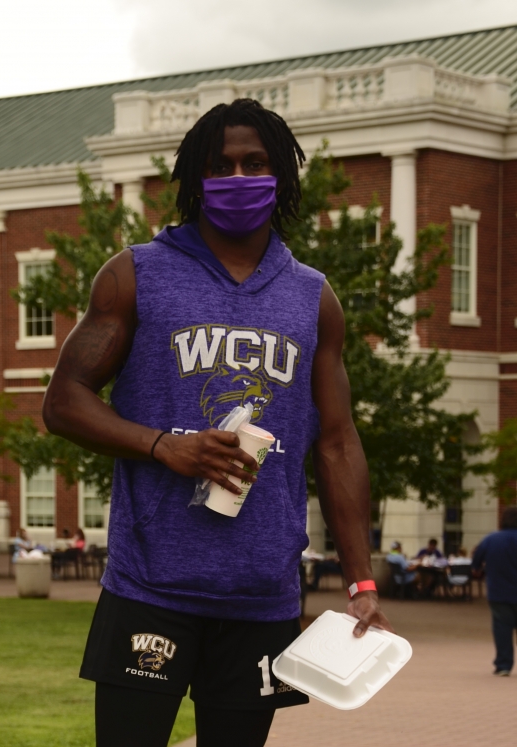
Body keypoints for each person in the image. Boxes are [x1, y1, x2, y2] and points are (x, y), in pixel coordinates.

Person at [42, 98, 393, 747]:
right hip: (150, 583)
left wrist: (362, 579)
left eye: (254, 163)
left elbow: (339, 442)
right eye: (220, 164)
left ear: (281, 174)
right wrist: (161, 445)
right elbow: (63, 400)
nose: (237, 178)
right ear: (193, 179)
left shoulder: (313, 297)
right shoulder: (134, 274)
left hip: (261, 594)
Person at [471, 506, 517, 676]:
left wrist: (478, 569)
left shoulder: (491, 539)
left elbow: (476, 562)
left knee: (502, 629)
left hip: (500, 592)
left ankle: (504, 665)